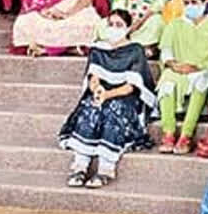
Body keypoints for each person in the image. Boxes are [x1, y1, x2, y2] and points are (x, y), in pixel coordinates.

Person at [58, 9, 155, 188]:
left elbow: (131, 86)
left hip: (124, 96)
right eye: (111, 24)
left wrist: (108, 95)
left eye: (119, 25)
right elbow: (93, 77)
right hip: (102, 92)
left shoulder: (135, 50)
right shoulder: (99, 49)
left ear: (127, 28)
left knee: (114, 110)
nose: (114, 28)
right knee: (90, 107)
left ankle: (105, 169)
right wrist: (97, 90)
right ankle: (80, 167)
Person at [157, 0, 208, 155]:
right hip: (178, 68)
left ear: (204, 3)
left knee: (202, 82)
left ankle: (186, 135)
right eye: (187, 3)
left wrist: (197, 66)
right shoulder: (176, 24)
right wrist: (173, 64)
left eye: (194, 2)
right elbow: (166, 50)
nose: (190, 6)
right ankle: (168, 132)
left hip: (204, 68)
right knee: (166, 83)